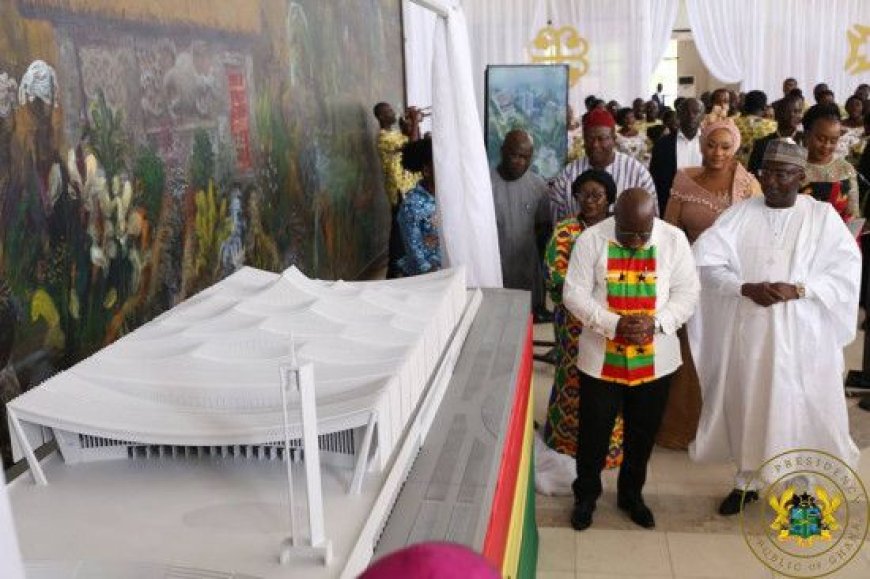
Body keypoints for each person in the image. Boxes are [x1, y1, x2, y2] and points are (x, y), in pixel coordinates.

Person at [689, 140, 861, 515]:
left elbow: (846, 271)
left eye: (782, 174)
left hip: (804, 335)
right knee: (750, 401)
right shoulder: (739, 215)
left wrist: (800, 289)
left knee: (799, 405)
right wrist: (744, 287)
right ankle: (746, 480)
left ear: (800, 178)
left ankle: (800, 487)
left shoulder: (820, 217)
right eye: (765, 172)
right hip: (751, 332)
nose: (771, 181)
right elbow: (706, 266)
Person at [563, 189, 700, 531]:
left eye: (644, 233)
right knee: (593, 435)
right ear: (615, 218)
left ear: (654, 217)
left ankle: (631, 496)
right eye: (628, 234)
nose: (637, 241)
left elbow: (688, 292)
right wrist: (614, 323)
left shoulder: (674, 239)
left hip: (656, 361)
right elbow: (574, 294)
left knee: (642, 435)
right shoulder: (592, 240)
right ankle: (586, 496)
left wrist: (655, 323)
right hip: (601, 360)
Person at [657, 120, 761, 450]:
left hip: (731, 282)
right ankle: (683, 429)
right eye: (711, 144)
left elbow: (755, 237)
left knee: (727, 350)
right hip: (689, 278)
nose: (717, 152)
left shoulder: (748, 185)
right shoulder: (685, 178)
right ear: (701, 145)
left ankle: (727, 432)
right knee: (688, 352)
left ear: (736, 149)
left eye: (725, 146)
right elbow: (669, 233)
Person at [543, 170, 623, 465]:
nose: (589, 201)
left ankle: (608, 448)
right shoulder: (565, 231)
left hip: (611, 322)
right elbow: (555, 275)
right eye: (583, 195)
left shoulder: (619, 231)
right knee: (573, 376)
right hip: (574, 321)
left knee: (608, 380)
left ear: (609, 199)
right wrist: (593, 295)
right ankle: (565, 440)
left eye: (597, 195)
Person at [549, 109, 656, 223]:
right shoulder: (568, 175)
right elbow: (557, 223)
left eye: (602, 139)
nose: (595, 145)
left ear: (614, 139)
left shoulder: (637, 173)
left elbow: (653, 219)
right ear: (583, 140)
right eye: (590, 138)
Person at [491, 130, 552, 322]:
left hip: (528, 273)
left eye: (524, 157)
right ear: (502, 151)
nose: (518, 161)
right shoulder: (484, 184)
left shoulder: (538, 186)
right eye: (514, 155)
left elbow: (543, 230)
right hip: (495, 274)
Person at [374, 102, 420, 278]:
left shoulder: (395, 134)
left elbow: (416, 144)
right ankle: (393, 273)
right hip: (399, 191)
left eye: (392, 109)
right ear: (380, 117)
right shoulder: (383, 137)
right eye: (388, 111)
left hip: (408, 188)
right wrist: (414, 121)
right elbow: (413, 147)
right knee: (398, 234)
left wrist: (411, 126)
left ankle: (401, 269)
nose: (393, 113)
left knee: (405, 231)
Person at [801, 103, 860, 221]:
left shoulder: (845, 169)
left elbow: (853, 214)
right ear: (807, 135)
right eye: (821, 139)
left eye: (833, 141)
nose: (826, 146)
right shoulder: (792, 167)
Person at [649, 98, 704, 214]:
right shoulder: (662, 144)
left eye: (696, 112)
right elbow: (655, 179)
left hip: (703, 206)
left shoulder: (710, 142)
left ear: (703, 116)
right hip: (670, 207)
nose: (691, 116)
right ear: (679, 115)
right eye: (686, 112)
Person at [396, 138, 440, 276]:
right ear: (427, 170)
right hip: (426, 278)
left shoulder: (447, 198)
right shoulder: (412, 205)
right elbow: (413, 248)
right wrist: (428, 271)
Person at [747, 92, 805, 175]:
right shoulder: (762, 143)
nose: (793, 115)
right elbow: (753, 174)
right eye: (788, 111)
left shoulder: (805, 141)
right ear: (777, 114)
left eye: (797, 111)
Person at [734, 90, 776, 165]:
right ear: (764, 107)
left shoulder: (733, 123)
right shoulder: (772, 126)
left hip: (735, 167)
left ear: (745, 105)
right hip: (759, 168)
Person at [836, 95, 865, 161]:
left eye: (857, 105)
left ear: (863, 107)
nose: (854, 107)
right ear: (846, 108)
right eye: (851, 105)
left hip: (856, 159)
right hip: (836, 155)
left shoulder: (867, 126)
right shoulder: (838, 123)